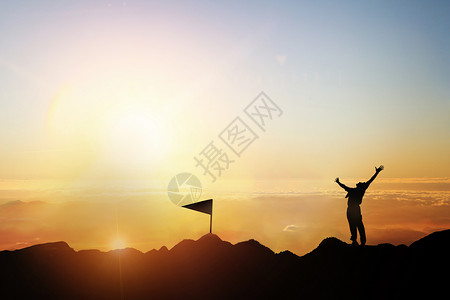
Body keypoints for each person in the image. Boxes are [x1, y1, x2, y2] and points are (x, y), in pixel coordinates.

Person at [335, 165, 384, 246]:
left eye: (361, 183)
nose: (360, 182)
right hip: (354, 209)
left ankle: (357, 241)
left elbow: (344, 186)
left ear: (360, 186)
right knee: (357, 225)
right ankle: (360, 241)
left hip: (351, 210)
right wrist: (377, 173)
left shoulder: (356, 190)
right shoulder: (360, 190)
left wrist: (338, 182)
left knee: (354, 225)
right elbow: (370, 181)